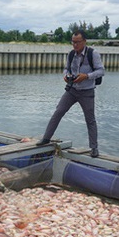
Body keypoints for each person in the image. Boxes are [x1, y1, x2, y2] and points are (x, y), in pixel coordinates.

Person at [37, 29, 105, 157]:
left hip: (87, 92)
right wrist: (66, 75)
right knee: (58, 112)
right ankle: (46, 138)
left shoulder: (93, 54)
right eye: (73, 42)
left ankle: (94, 148)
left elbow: (101, 71)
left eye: (77, 42)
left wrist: (86, 76)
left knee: (90, 120)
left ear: (84, 41)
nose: (75, 45)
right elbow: (66, 69)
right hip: (72, 90)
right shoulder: (71, 54)